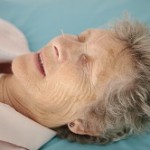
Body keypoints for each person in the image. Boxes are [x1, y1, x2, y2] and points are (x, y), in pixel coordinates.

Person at [1, 17, 150, 146]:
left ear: (88, 123)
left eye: (85, 65)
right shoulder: (9, 35)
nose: (60, 43)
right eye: (80, 38)